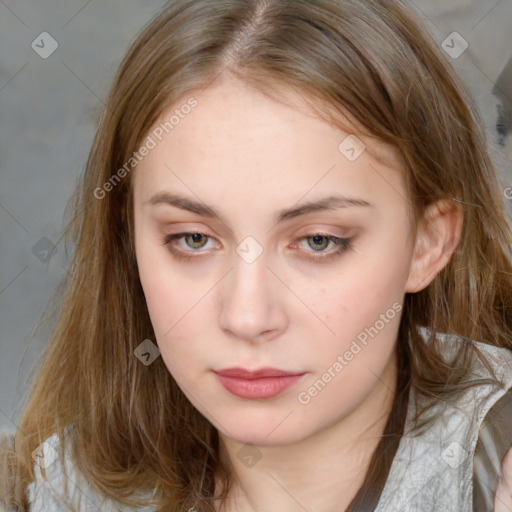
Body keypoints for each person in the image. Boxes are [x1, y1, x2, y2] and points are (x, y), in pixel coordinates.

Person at [1, 0, 512, 511]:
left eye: (319, 241)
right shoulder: (65, 488)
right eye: (193, 239)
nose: (247, 317)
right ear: (127, 237)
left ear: (427, 244)